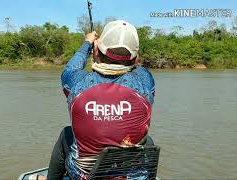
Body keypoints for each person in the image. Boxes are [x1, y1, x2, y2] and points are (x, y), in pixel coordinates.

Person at [34, 20, 155, 180]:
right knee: (148, 141)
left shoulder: (76, 82)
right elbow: (137, 67)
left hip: (85, 176)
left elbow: (70, 69)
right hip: (128, 176)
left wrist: (88, 43)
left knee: (66, 133)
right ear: (135, 58)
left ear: (97, 50)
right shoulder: (145, 82)